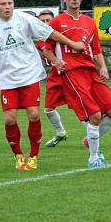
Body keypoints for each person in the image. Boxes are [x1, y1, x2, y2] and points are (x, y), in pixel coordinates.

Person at [0, 0, 86, 171]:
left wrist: (72, 44)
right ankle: (18, 155)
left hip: (29, 75)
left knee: (34, 115)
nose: (7, 7)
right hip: (7, 79)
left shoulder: (25, 19)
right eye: (3, 4)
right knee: (10, 120)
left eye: (10, 3)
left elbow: (50, 33)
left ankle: (33, 156)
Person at [46, 0, 111, 168]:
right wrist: (56, 61)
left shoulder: (89, 22)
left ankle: (90, 138)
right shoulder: (57, 22)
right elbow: (46, 49)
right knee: (94, 115)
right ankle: (94, 159)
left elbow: (96, 50)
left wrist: (103, 67)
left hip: (90, 71)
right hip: (71, 73)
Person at [35, 9, 75, 148]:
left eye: (48, 20)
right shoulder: (39, 40)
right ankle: (60, 132)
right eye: (42, 21)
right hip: (54, 75)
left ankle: (92, 135)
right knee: (48, 109)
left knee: (81, 106)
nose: (46, 23)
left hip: (69, 73)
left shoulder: (59, 36)